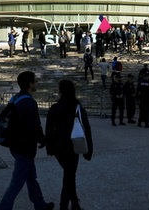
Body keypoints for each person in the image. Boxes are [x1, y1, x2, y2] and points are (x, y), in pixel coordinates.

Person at [0, 71, 54, 210]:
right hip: (25, 146)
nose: (36, 84)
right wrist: (42, 139)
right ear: (30, 84)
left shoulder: (15, 98)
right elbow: (34, 125)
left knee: (30, 176)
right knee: (18, 181)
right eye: (35, 81)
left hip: (14, 144)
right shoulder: (29, 102)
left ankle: (39, 204)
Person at [45, 80, 93, 210]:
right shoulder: (78, 108)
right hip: (73, 146)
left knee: (69, 175)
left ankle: (74, 204)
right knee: (69, 176)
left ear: (60, 91)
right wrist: (89, 150)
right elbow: (86, 128)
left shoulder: (54, 108)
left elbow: (48, 129)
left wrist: (49, 147)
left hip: (58, 148)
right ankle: (65, 206)